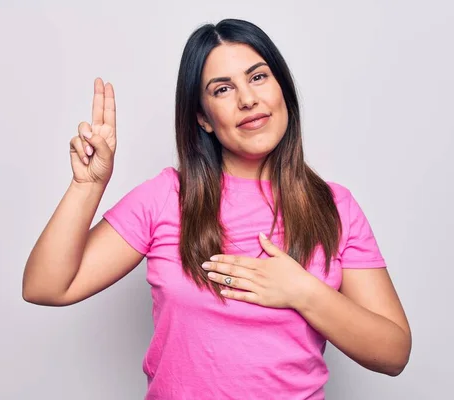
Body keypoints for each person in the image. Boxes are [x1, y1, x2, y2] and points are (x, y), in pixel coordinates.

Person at [22, 18, 411, 400]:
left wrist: (302, 291)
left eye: (258, 77)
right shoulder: (167, 197)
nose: (247, 99)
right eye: (223, 89)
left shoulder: (334, 207)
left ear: (282, 90)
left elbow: (394, 352)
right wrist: (88, 186)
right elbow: (46, 287)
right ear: (203, 118)